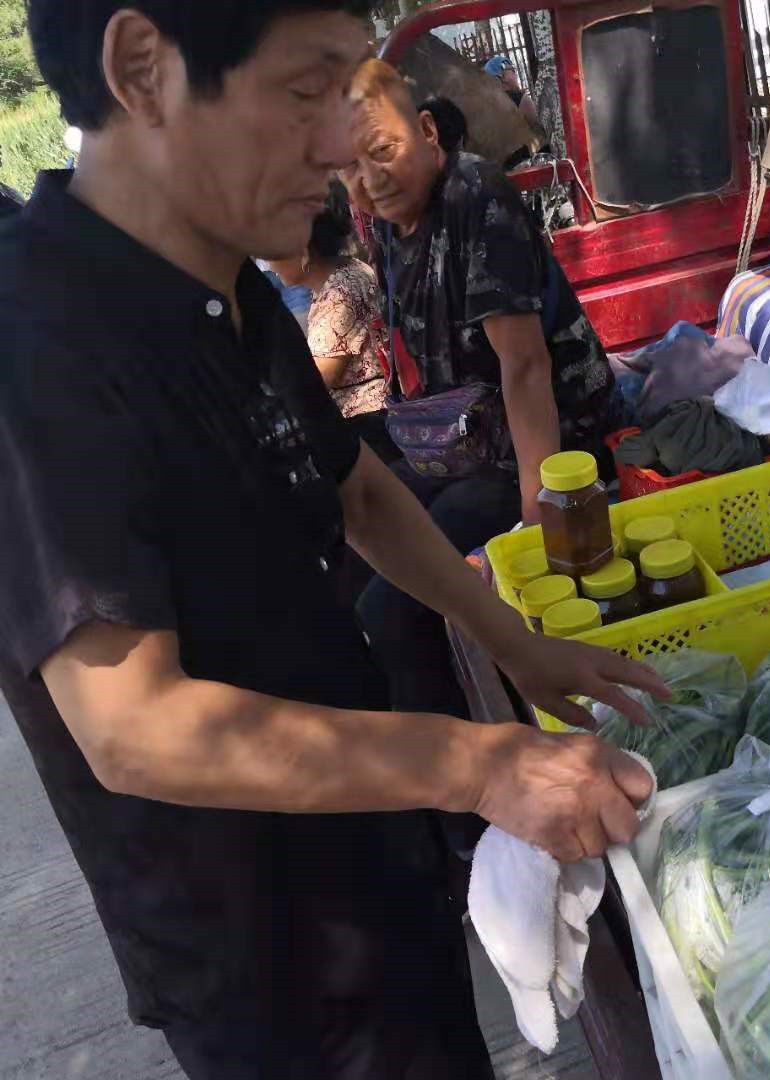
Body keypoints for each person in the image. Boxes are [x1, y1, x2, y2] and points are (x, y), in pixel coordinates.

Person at [2, 5, 665, 1080]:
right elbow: (134, 728)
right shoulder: (38, 344)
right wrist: (481, 762)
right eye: (309, 91)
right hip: (263, 951)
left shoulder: (218, 285)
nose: (341, 145)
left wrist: (517, 643)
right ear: (142, 69)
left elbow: (357, 491)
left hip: (366, 856)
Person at [340, 59, 616, 719]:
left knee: (395, 601)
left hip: (543, 440)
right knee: (344, 514)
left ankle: (468, 771)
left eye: (383, 152)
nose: (371, 179)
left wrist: (536, 512)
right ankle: (375, 720)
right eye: (348, 168)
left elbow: (525, 369)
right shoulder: (385, 224)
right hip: (460, 434)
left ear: (427, 130)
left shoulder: (478, 197)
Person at [266, 184, 397, 463]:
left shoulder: (337, 296)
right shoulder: (351, 270)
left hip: (368, 428)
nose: (271, 265)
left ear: (302, 250)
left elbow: (315, 381)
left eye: (274, 253)